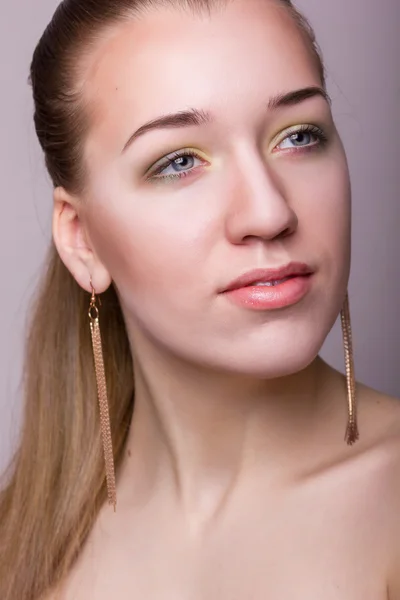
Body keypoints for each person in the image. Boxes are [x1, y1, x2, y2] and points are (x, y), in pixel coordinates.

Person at [0, 0, 399, 598]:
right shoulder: (17, 540)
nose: (270, 212)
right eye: (180, 161)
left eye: (298, 135)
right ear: (82, 241)